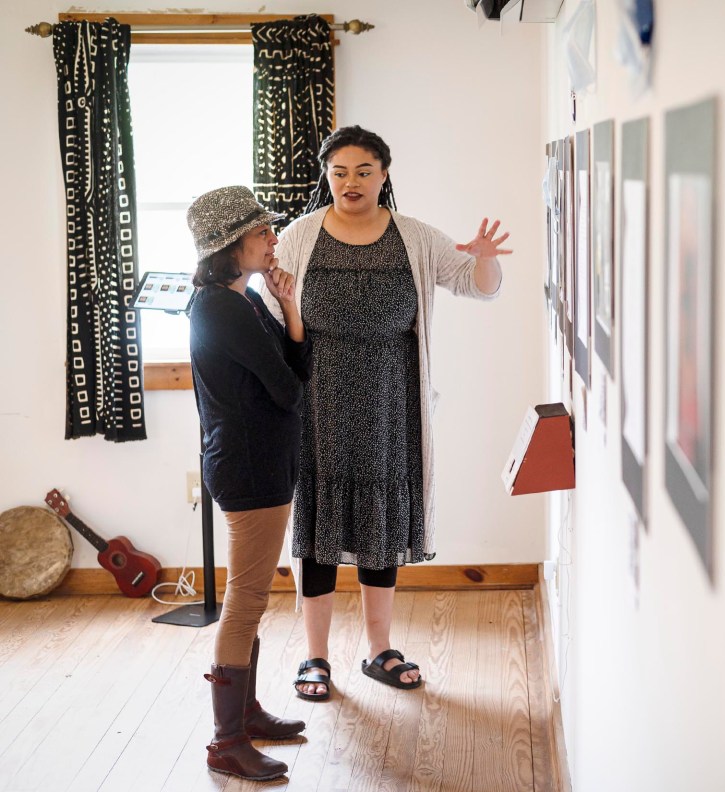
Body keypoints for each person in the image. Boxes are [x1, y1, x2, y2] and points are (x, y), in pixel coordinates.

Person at [260, 125, 511, 700]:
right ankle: (315, 658)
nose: (351, 183)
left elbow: (479, 287)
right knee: (317, 533)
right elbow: (279, 327)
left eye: (363, 171)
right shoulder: (300, 236)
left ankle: (380, 650)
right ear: (327, 177)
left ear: (384, 175)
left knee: (380, 528)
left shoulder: (415, 237)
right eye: (340, 172)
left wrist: (486, 260)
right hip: (319, 406)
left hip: (391, 408)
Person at [187, 186, 312, 781]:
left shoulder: (243, 299)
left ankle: (249, 713)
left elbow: (295, 372)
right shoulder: (222, 308)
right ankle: (226, 741)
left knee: (251, 598)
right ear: (231, 245)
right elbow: (289, 389)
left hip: (261, 462)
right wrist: (286, 363)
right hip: (249, 467)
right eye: (263, 233)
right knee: (245, 603)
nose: (273, 240)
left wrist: (288, 308)